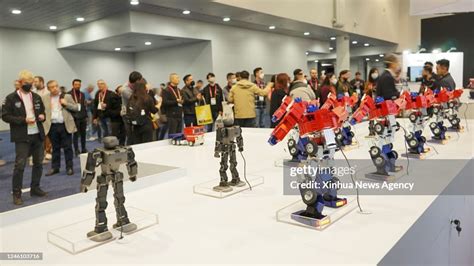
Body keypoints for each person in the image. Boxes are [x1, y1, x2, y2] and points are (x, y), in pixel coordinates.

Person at [2, 70, 47, 205]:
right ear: (20, 82)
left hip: (37, 134)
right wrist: (23, 120)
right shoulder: (11, 98)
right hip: (22, 136)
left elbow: (42, 110)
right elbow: (4, 116)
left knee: (38, 163)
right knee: (20, 165)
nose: (30, 85)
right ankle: (17, 193)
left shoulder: (36, 96)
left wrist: (42, 116)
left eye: (32, 83)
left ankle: (35, 188)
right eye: (27, 83)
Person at [42, 80, 78, 176]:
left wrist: (66, 104)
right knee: (55, 148)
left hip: (64, 125)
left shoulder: (67, 96)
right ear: (48, 89)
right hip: (52, 126)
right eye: (52, 87)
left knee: (68, 148)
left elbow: (76, 108)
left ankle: (69, 167)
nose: (55, 88)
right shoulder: (45, 98)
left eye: (56, 86)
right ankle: (55, 168)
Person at [33, 76, 52, 162]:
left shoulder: (48, 92)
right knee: (38, 135)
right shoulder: (32, 92)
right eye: (34, 82)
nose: (34, 83)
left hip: (47, 115)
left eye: (36, 81)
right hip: (35, 117)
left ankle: (48, 151)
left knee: (47, 133)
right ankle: (39, 152)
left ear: (42, 82)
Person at [121, 71, 143, 145]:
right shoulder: (125, 90)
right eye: (139, 81)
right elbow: (137, 100)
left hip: (136, 113)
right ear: (136, 81)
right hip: (127, 115)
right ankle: (129, 152)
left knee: (137, 135)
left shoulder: (135, 86)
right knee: (130, 136)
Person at [69, 79, 88, 156]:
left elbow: (83, 105)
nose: (77, 86)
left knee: (84, 134)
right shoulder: (68, 94)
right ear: (73, 85)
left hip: (83, 117)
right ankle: (76, 150)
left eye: (79, 85)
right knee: (76, 135)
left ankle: (83, 148)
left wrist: (86, 115)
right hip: (74, 117)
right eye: (76, 84)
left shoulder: (82, 94)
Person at [364, 68, 379, 136]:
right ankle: (371, 130)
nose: (375, 74)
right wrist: (370, 89)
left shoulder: (379, 82)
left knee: (379, 116)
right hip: (371, 101)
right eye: (374, 72)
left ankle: (379, 129)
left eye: (376, 72)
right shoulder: (368, 82)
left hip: (378, 101)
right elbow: (365, 92)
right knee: (371, 117)